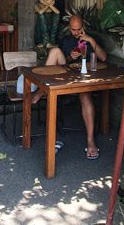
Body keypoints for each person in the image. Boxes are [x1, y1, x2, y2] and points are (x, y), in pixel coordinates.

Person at [40, 15, 107, 160]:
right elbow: (62, 63)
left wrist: (90, 40)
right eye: (73, 29)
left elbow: (104, 58)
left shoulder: (93, 38)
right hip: (68, 76)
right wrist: (71, 57)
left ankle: (90, 141)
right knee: (55, 53)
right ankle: (43, 89)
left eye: (78, 29)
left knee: (85, 95)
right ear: (69, 27)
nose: (76, 33)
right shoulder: (66, 40)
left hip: (86, 77)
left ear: (84, 26)